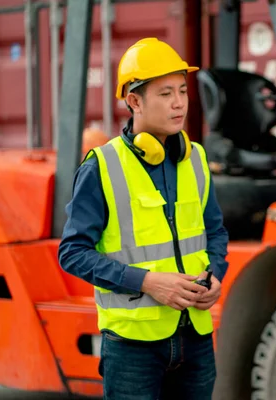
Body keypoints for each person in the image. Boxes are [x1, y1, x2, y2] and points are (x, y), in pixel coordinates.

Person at [58, 38, 229, 400]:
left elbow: (214, 231)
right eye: (166, 93)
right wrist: (147, 282)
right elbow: (72, 252)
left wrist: (216, 274)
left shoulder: (195, 158)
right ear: (134, 101)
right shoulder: (102, 166)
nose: (180, 102)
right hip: (132, 347)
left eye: (182, 90)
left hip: (196, 338)